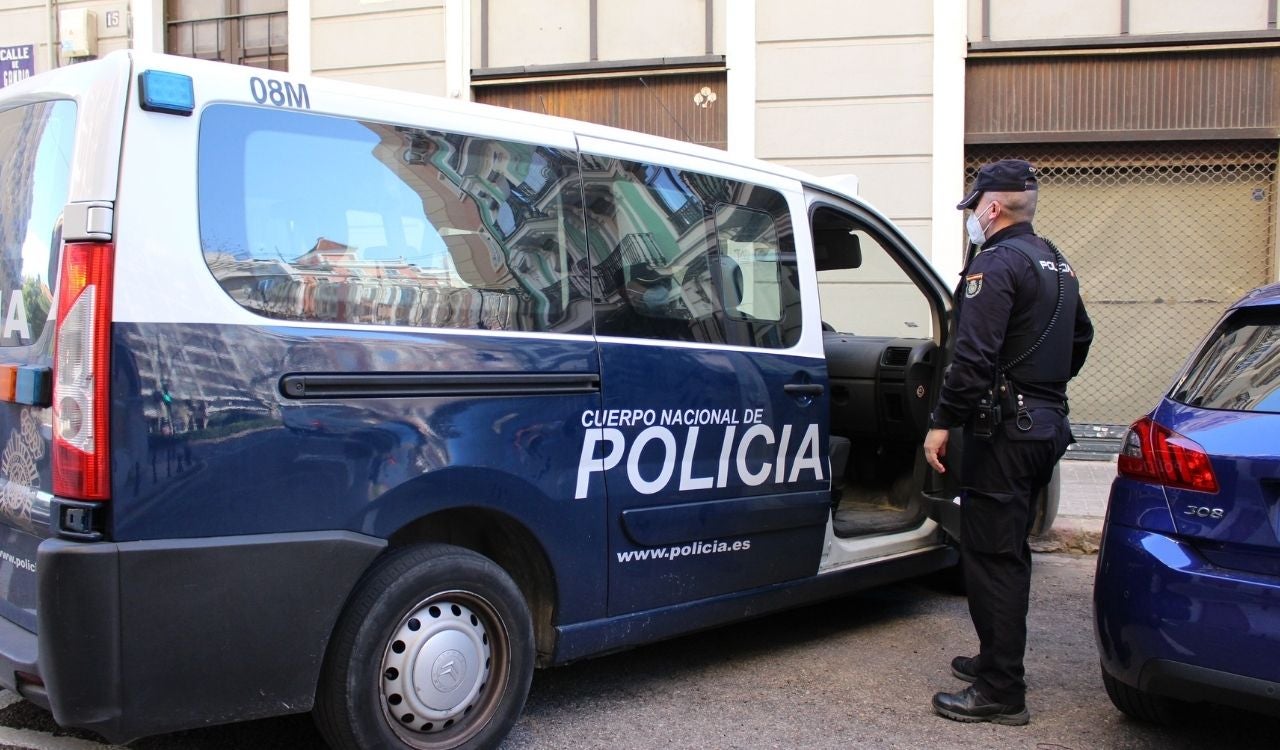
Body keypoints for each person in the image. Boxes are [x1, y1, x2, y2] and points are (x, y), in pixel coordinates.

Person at [923, 159, 1093, 726]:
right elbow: (1082, 338)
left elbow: (971, 356)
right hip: (1044, 423)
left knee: (993, 558)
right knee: (1007, 549)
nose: (971, 217)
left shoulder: (994, 265)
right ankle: (993, 658)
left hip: (1005, 431)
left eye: (973, 207)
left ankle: (1002, 691)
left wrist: (944, 419)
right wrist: (1041, 388)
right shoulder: (1057, 262)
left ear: (991, 208)